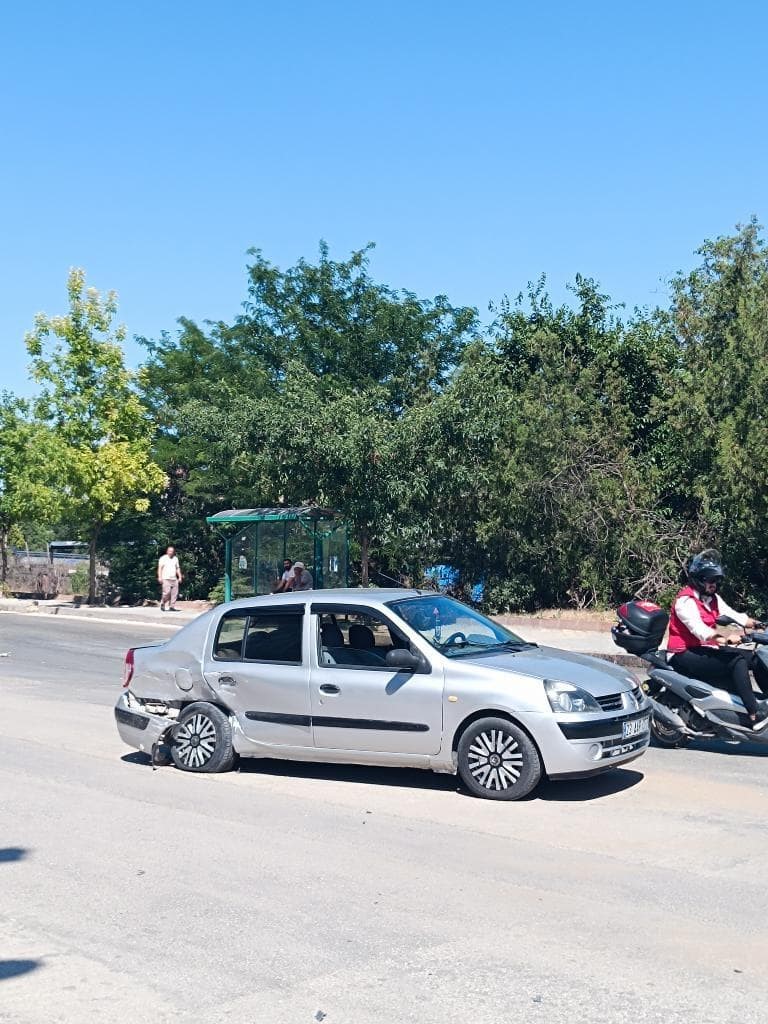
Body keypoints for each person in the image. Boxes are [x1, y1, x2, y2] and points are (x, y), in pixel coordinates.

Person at [667, 550, 768, 729]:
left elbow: (735, 615)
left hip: (705, 648)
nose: (714, 584)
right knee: (737, 661)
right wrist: (727, 638)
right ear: (699, 579)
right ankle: (754, 715)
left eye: (716, 581)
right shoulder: (685, 601)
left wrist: (759, 625)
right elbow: (700, 630)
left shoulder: (712, 599)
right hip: (684, 653)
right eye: (710, 580)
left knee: (754, 657)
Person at [157, 545, 183, 612]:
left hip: (174, 578)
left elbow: (177, 568)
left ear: (174, 552)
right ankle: (163, 603)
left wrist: (180, 577)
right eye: (169, 551)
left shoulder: (175, 559)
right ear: (167, 551)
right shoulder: (163, 558)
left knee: (175, 593)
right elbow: (160, 568)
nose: (171, 552)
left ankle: (172, 606)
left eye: (172, 551)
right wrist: (159, 577)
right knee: (167, 592)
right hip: (165, 578)